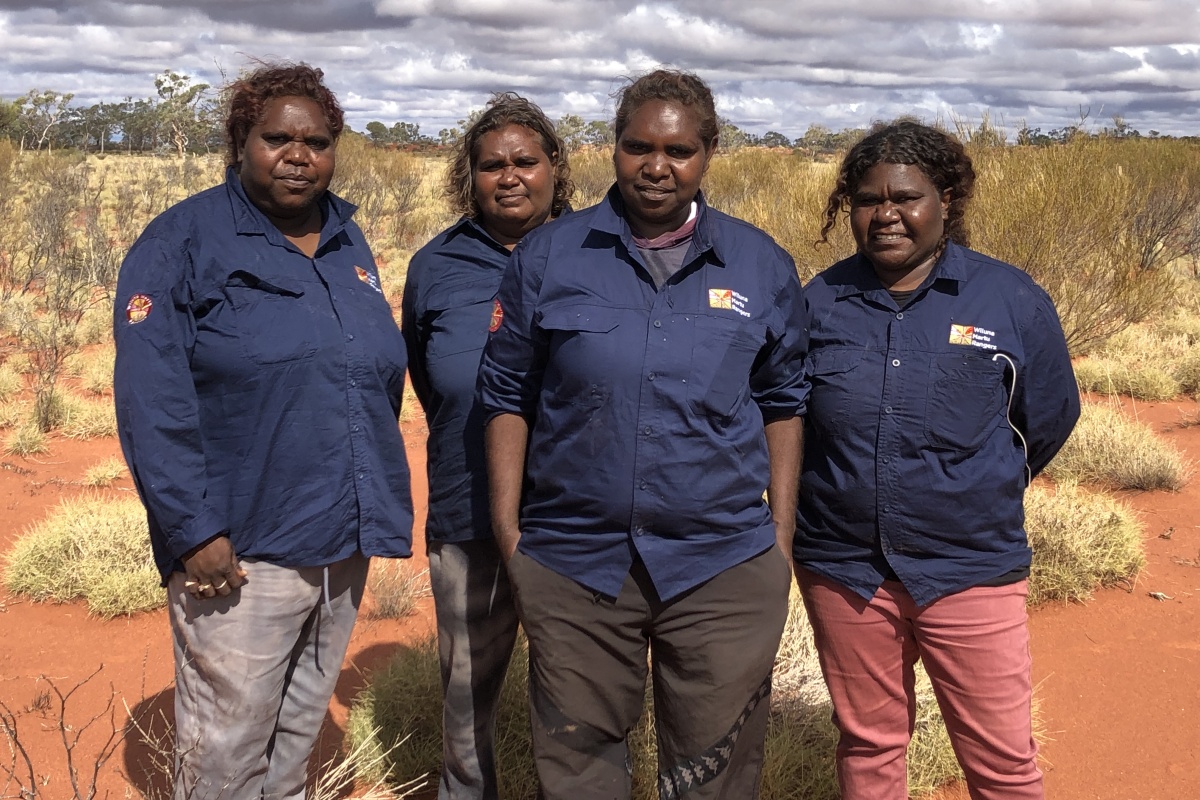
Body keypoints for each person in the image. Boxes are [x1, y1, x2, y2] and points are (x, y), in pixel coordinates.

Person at [478, 69, 807, 800]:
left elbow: (786, 402)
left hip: (721, 565)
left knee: (715, 774)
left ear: (708, 154)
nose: (656, 166)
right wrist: (510, 533)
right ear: (614, 147)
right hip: (574, 561)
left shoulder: (760, 265)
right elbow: (505, 395)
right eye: (637, 146)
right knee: (578, 770)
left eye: (679, 150)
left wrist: (779, 540)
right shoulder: (550, 258)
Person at [113, 63, 414, 799]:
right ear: (240, 141)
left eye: (316, 141)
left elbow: (372, 371)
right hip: (242, 552)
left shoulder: (348, 239)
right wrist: (192, 531)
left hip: (342, 538)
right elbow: (151, 397)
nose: (298, 154)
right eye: (276, 137)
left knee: (297, 737)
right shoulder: (183, 240)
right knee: (228, 749)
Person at [793, 120, 1080, 800]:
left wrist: (972, 487)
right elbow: (791, 420)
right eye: (867, 199)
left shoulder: (1008, 300)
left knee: (1003, 763)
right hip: (846, 570)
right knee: (868, 747)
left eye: (905, 197)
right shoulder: (819, 302)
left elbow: (1049, 418)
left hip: (970, 567)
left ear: (946, 201)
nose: (885, 214)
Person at [401, 92, 572, 800]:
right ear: (467, 176)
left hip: (578, 518)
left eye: (525, 161)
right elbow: (425, 373)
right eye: (491, 165)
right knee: (467, 692)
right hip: (469, 507)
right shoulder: (436, 265)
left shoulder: (597, 252)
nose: (509, 176)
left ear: (556, 169)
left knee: (578, 693)